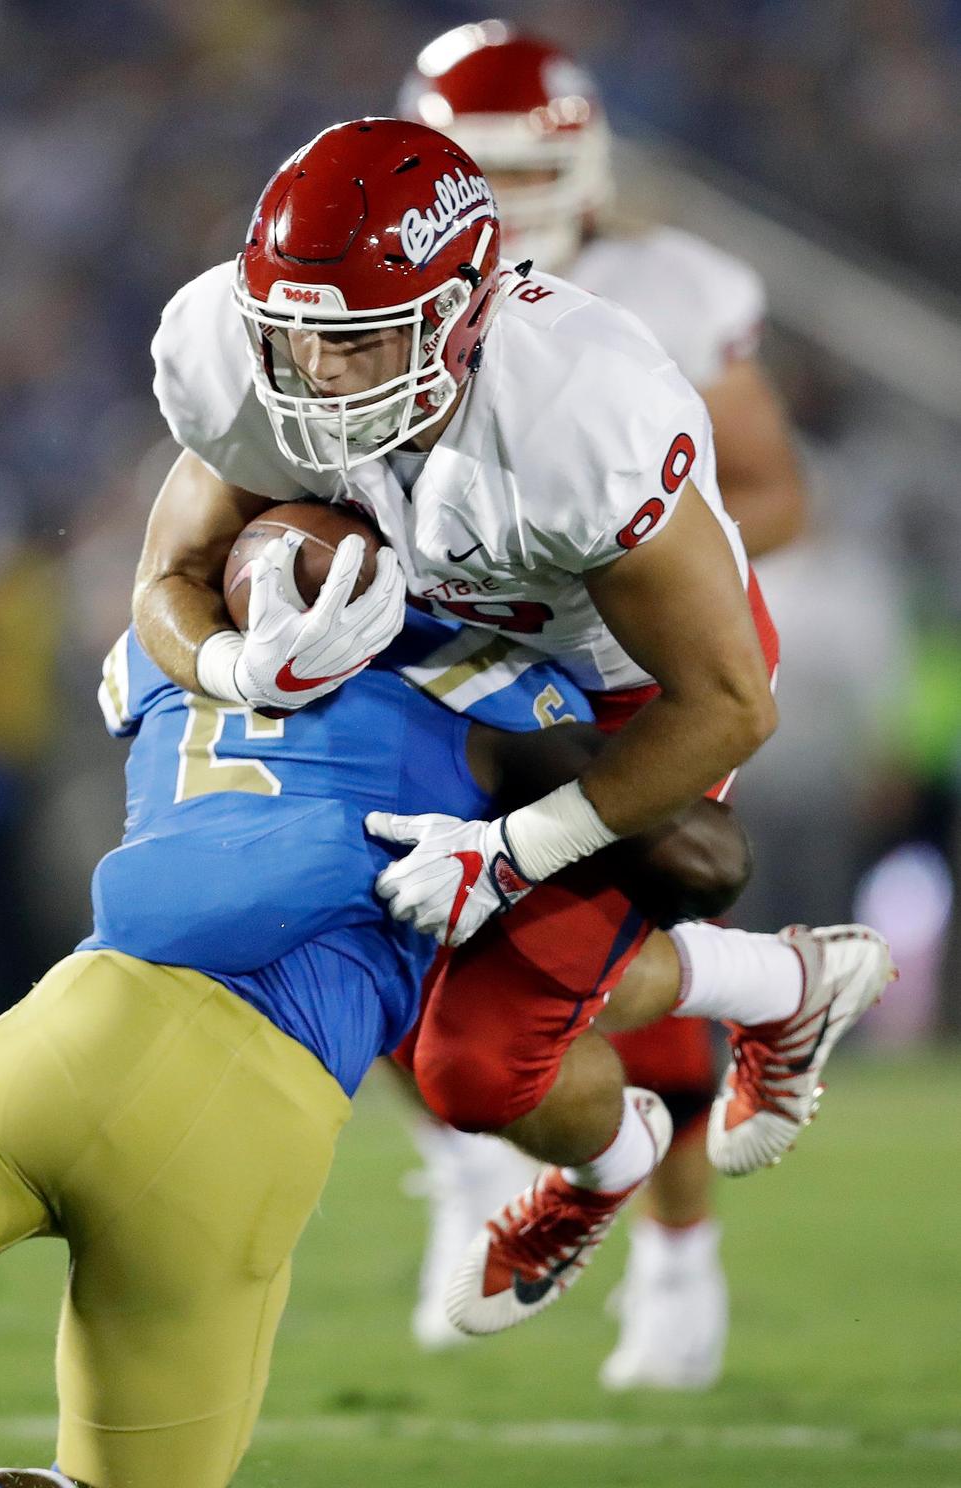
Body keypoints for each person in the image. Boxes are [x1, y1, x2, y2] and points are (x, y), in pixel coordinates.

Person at [136, 115, 893, 1338]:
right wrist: (236, 662)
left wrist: (514, 853)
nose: (319, 379)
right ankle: (683, 1084)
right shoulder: (237, 352)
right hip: (436, 638)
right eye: (296, 340)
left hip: (614, 681)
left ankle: (761, 995)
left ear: (461, 317)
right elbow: (162, 583)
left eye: (361, 343)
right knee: (311, 898)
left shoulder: (579, 411)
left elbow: (733, 700)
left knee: (478, 1069)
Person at [0, 604, 746, 1488]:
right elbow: (701, 860)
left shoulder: (156, 653)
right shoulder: (468, 678)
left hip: (60, 1040)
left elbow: (177, 599)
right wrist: (532, 840)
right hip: (248, 1113)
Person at [394, 19, 809, 1379]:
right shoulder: (386, 306)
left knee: (591, 959)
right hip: (463, 673)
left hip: (630, 679)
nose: (506, 202)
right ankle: (475, 1163)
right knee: (386, 924)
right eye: (477, 170)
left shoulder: (667, 292)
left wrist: (612, 548)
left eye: (524, 169)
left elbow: (773, 494)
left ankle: (681, 1257)